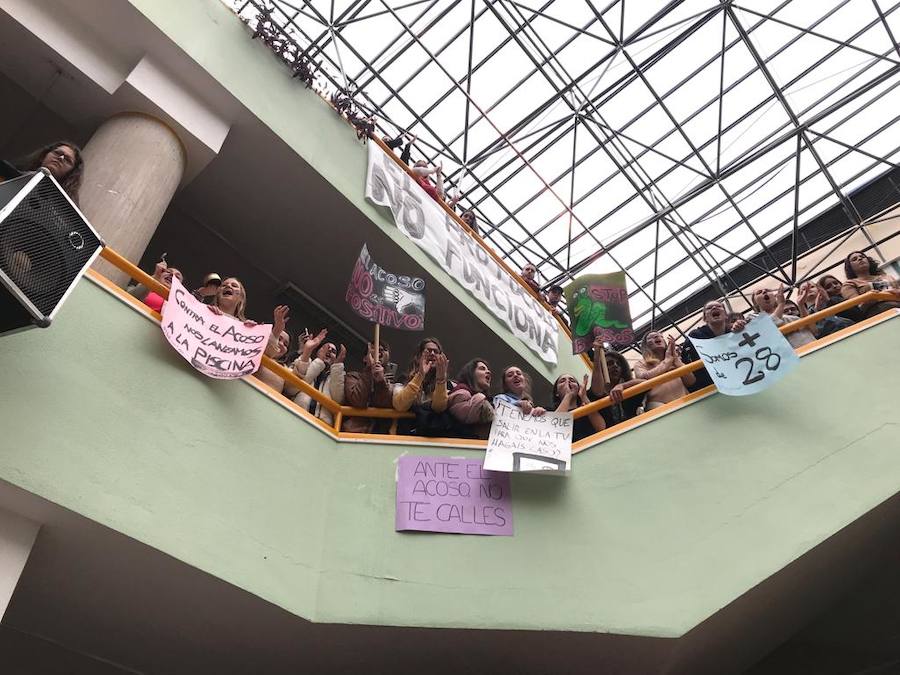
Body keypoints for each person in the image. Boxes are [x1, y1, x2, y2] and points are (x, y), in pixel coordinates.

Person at [680, 300, 747, 391]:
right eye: (709, 308)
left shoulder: (735, 331)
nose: (714, 308)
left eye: (718, 306)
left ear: (726, 316)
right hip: (711, 387)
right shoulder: (695, 337)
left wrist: (742, 331)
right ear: (705, 318)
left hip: (741, 381)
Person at [393, 337, 450, 436]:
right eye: (428, 351)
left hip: (432, 438)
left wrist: (441, 380)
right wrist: (420, 375)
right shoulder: (404, 379)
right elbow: (400, 405)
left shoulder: (446, 384)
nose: (432, 354)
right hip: (405, 436)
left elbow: (439, 408)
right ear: (419, 356)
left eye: (436, 352)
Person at [292, 329, 345, 425]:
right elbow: (291, 388)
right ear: (316, 352)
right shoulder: (304, 363)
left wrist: (337, 367)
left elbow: (338, 400)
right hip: (296, 415)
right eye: (325, 348)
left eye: (333, 351)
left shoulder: (336, 377)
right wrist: (318, 361)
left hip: (322, 427)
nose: (329, 351)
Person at [633, 332, 696, 410]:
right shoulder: (640, 363)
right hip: (658, 406)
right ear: (646, 346)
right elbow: (644, 378)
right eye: (651, 337)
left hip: (685, 401)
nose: (657, 336)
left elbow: (691, 381)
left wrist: (676, 360)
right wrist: (667, 362)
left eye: (661, 336)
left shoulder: (675, 359)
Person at [342, 340, 394, 434]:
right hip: (355, 434)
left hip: (381, 437)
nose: (380, 350)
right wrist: (369, 369)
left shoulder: (392, 384)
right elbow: (358, 401)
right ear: (365, 358)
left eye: (384, 349)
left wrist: (381, 382)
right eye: (374, 348)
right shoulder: (353, 377)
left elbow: (383, 403)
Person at [590, 341, 644, 427]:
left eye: (618, 364)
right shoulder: (596, 392)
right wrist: (596, 354)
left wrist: (622, 386)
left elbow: (645, 383)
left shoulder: (629, 390)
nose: (615, 366)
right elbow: (597, 392)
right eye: (609, 363)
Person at [747, 285, 816, 349]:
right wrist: (781, 304)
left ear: (774, 297)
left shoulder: (791, 318)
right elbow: (769, 327)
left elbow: (813, 330)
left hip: (814, 349)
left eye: (768, 290)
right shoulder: (754, 319)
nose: (764, 292)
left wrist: (801, 305)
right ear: (755, 304)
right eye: (759, 292)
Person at [19, 141, 84, 204]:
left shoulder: (66, 206)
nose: (61, 158)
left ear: (71, 172)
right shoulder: (15, 173)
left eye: (67, 160)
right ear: (43, 156)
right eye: (57, 153)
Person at [840, 250, 900, 318]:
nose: (860, 259)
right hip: (877, 315)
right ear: (850, 267)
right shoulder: (849, 284)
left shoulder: (887, 277)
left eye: (862, 257)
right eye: (854, 259)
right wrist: (871, 297)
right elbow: (857, 306)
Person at [448, 359, 495, 439]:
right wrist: (481, 398)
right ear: (471, 373)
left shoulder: (491, 400)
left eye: (488, 370)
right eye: (482, 369)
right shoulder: (461, 392)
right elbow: (465, 415)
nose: (488, 372)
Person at [551, 373, 606, 442]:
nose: (568, 382)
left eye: (572, 380)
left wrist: (583, 396)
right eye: (562, 381)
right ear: (557, 393)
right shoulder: (550, 411)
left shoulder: (585, 408)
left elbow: (601, 427)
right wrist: (568, 395)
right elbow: (552, 428)